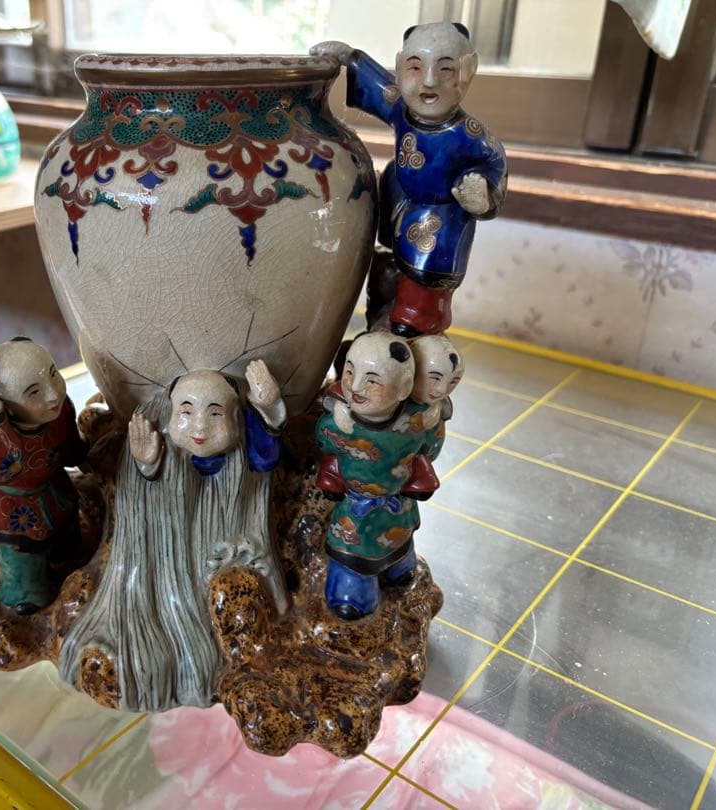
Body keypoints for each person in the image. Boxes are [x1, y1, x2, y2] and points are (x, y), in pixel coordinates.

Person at [312, 22, 507, 336]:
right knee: (386, 262)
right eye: (415, 67)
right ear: (401, 66)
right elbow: (379, 84)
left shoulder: (472, 136)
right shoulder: (402, 109)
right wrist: (349, 57)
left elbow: (493, 167)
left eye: (446, 69)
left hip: (440, 216)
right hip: (400, 198)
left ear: (469, 69)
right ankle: (384, 310)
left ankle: (416, 324)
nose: (429, 81)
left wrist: (482, 198)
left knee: (425, 275)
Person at [0, 337, 89, 615]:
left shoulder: (58, 412)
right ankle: (25, 593)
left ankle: (68, 562)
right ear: (5, 405)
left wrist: (85, 455)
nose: (53, 394)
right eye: (34, 392)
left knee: (71, 547)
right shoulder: (0, 433)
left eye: (53, 375)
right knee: (25, 561)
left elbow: (71, 448)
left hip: (57, 492)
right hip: (15, 509)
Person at [315, 332, 439, 620]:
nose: (355, 386)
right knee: (353, 548)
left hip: (397, 501)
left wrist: (436, 415)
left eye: (372, 380)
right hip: (358, 506)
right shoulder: (341, 424)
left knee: (400, 538)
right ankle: (352, 591)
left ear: (403, 388)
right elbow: (324, 442)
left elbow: (429, 449)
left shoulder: (415, 422)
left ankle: (399, 568)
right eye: (350, 372)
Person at [128, 359, 286, 478]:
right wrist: (148, 463)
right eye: (186, 412)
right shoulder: (169, 449)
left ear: (235, 416)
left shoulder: (241, 454)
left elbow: (266, 459)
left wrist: (268, 406)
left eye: (215, 413)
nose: (200, 426)